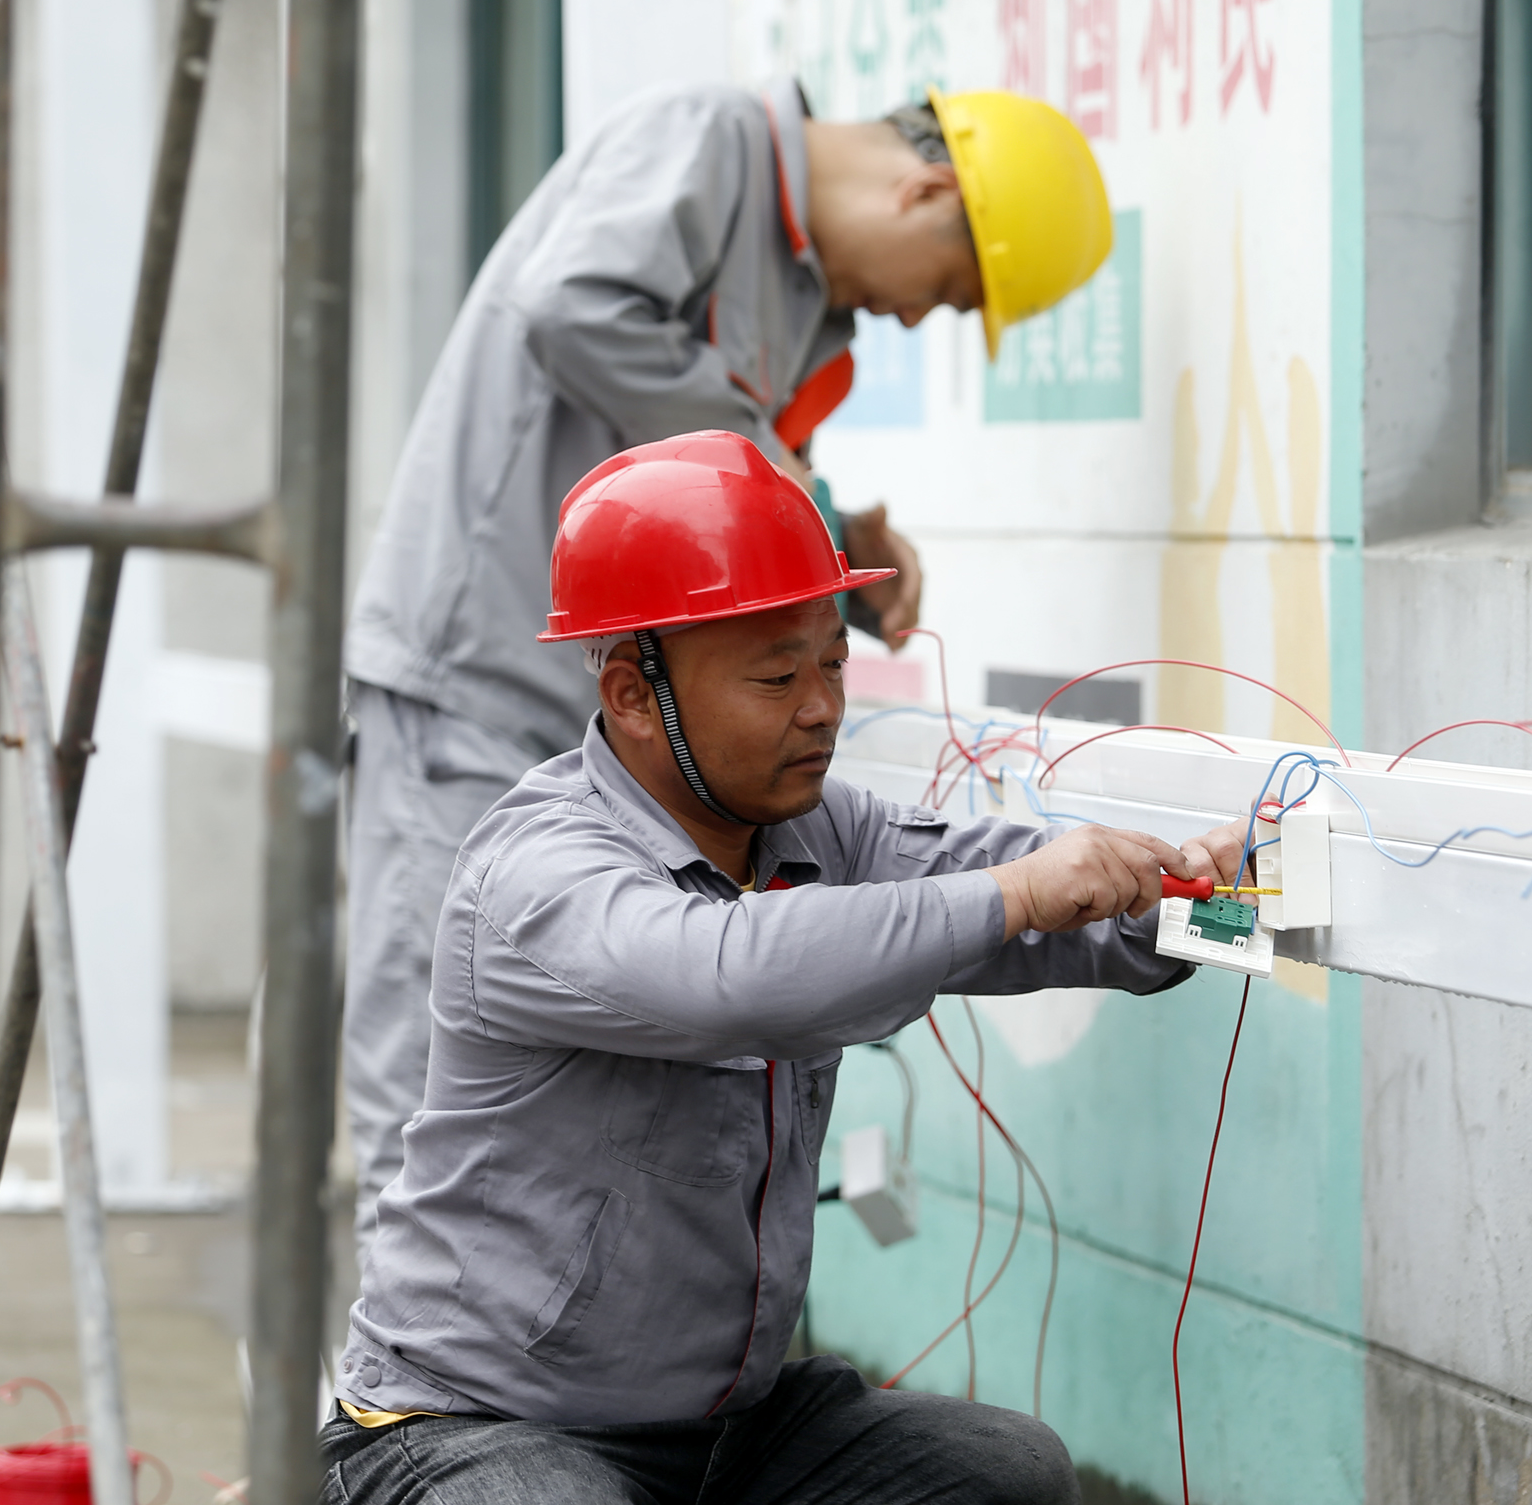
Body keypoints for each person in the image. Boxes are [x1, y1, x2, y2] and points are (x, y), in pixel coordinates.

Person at [324, 432, 1245, 1504]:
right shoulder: (536, 873)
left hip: (725, 1432)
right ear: (631, 693)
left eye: (833, 664)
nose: (821, 707)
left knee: (1005, 1474)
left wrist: (1186, 894)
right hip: (472, 1423)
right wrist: (1016, 894)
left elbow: (1023, 887)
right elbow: (733, 974)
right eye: (776, 675)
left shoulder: (819, 828)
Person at [339, 75, 1115, 1255]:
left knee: (581, 1106)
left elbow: (701, 501)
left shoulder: (809, 307)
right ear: (927, 190)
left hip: (612, 743)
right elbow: (572, 307)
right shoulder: (710, 141)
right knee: (424, 1109)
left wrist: (829, 532)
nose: (915, 321)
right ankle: (387, 1428)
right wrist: (791, 483)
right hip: (470, 693)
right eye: (947, 295)